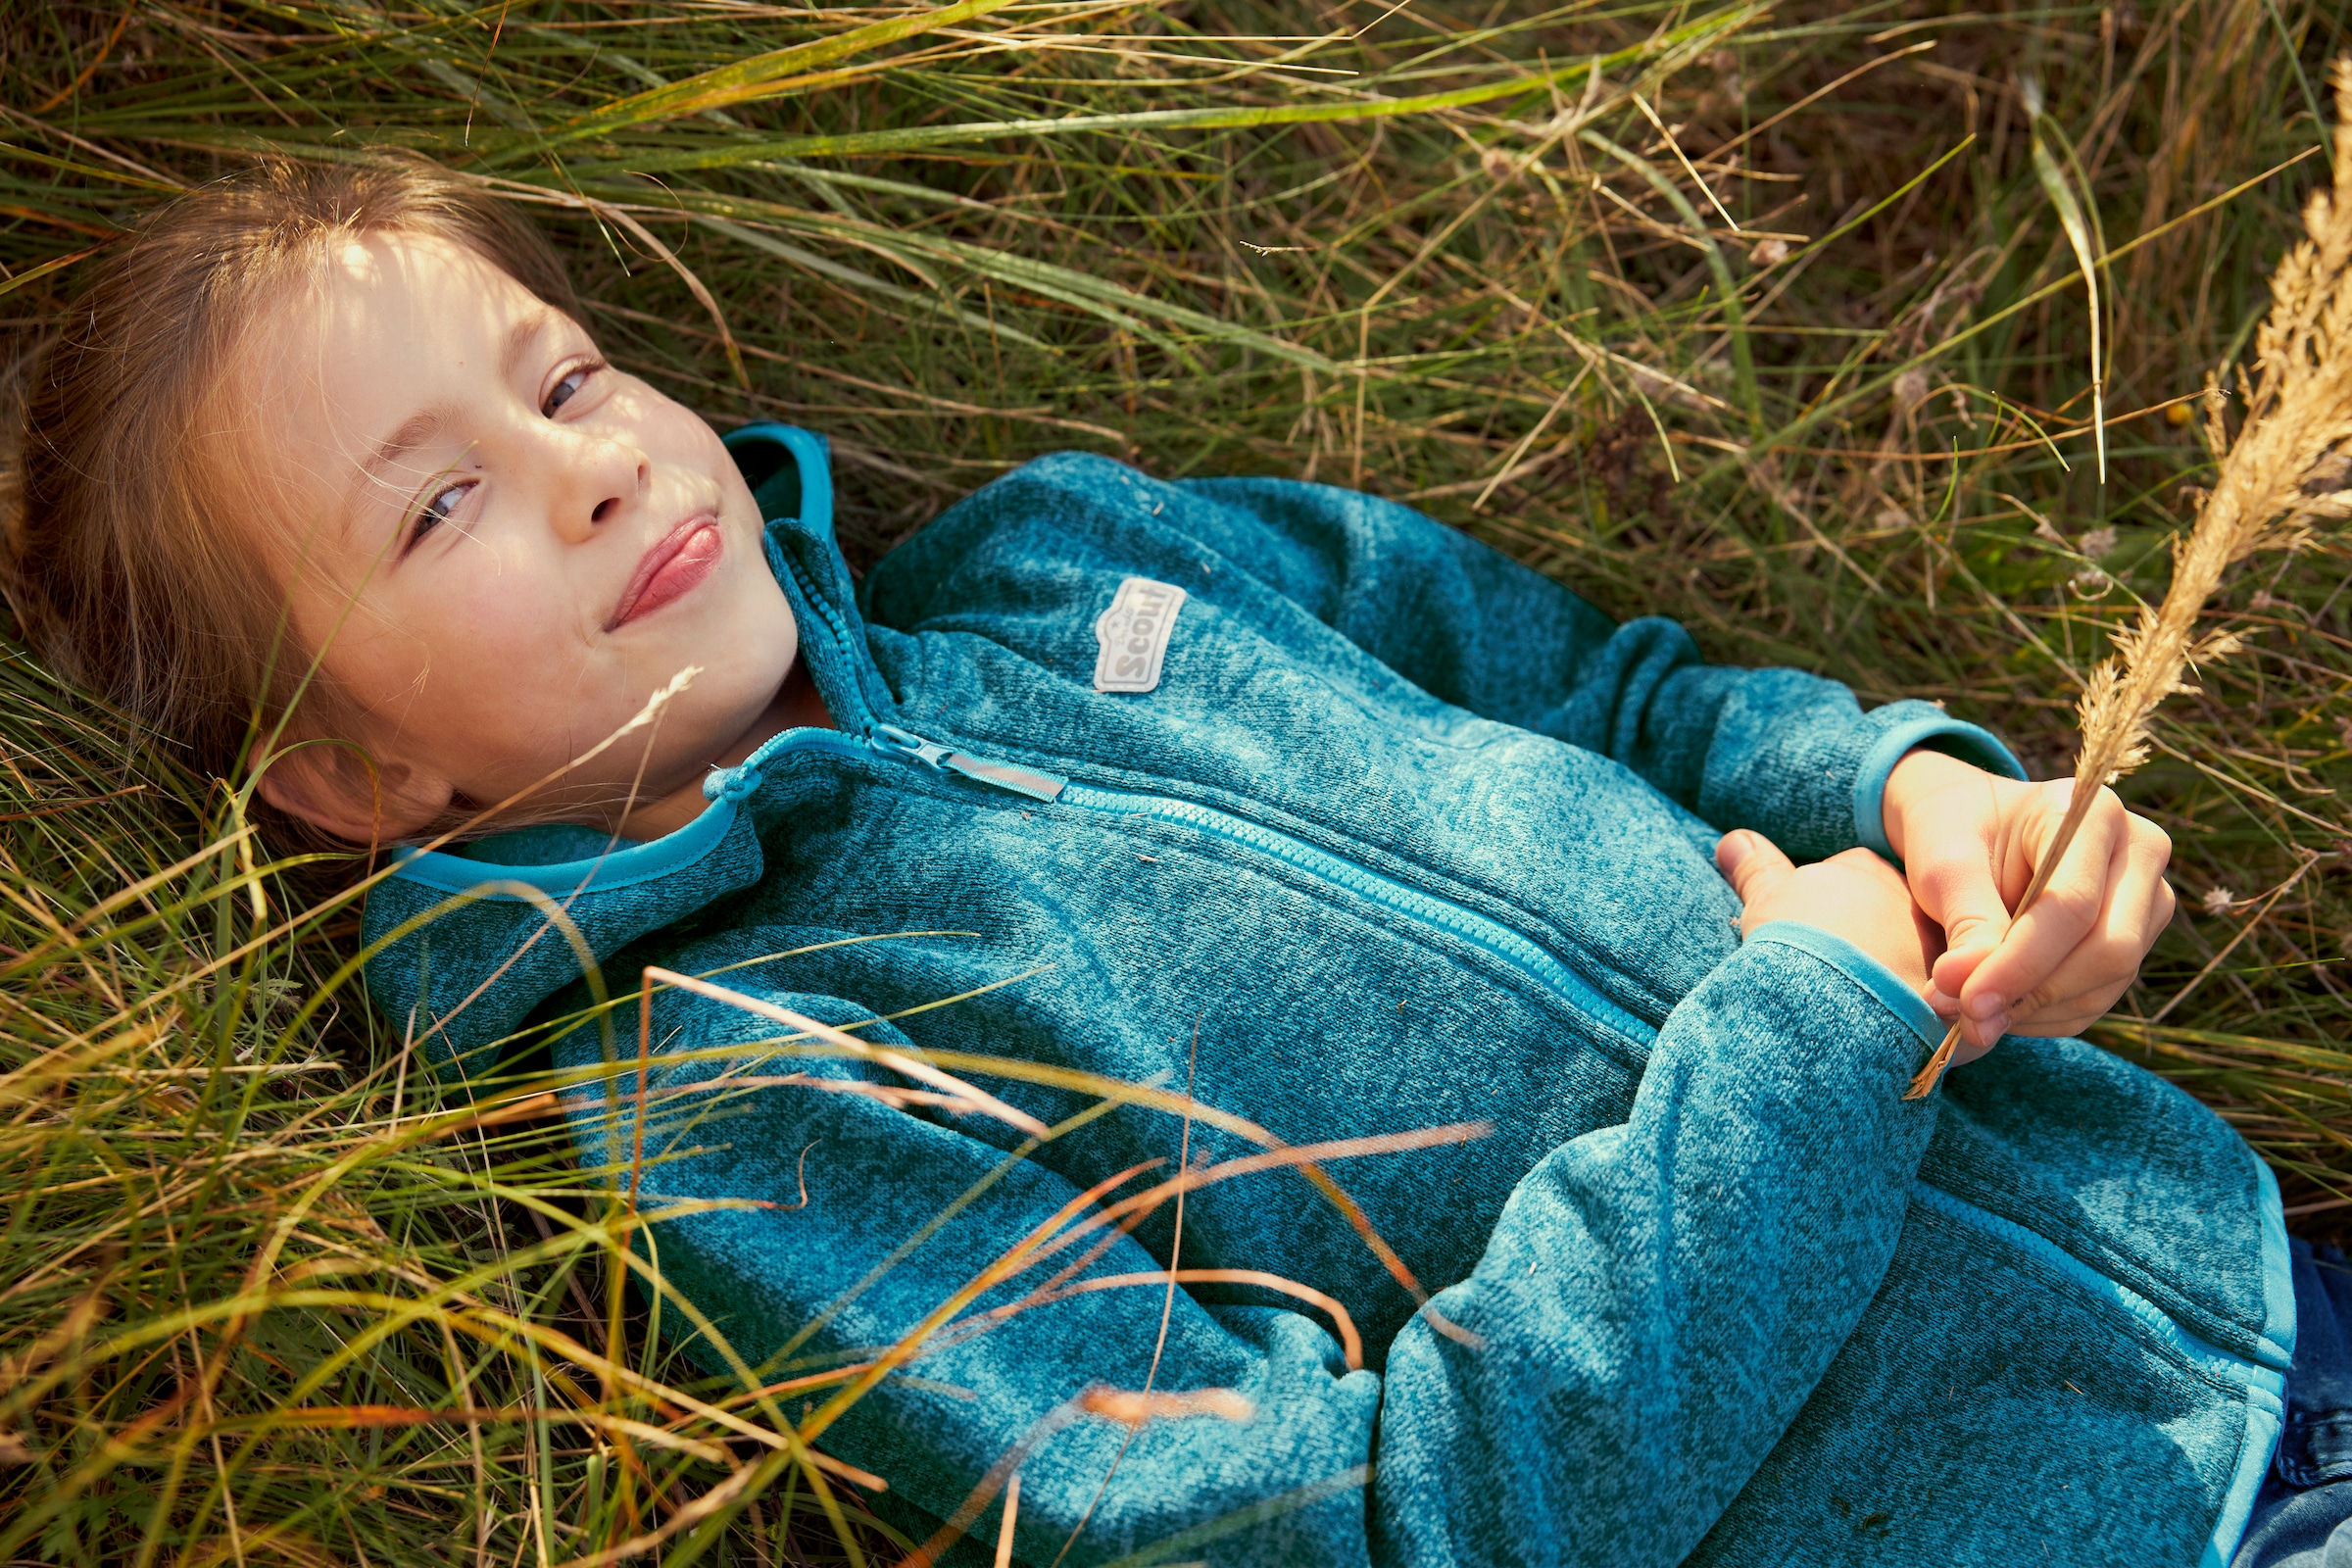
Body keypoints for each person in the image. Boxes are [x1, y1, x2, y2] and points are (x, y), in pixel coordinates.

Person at [1, 157, 2320, 1568]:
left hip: (2234, 1254)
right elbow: (1372, 1528)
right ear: (338, 775)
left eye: (567, 375)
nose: (584, 467)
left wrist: (1913, 789)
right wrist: (1806, 1036)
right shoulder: (716, 1105)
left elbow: (1611, 687)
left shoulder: (1066, 549)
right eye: (436, 501)